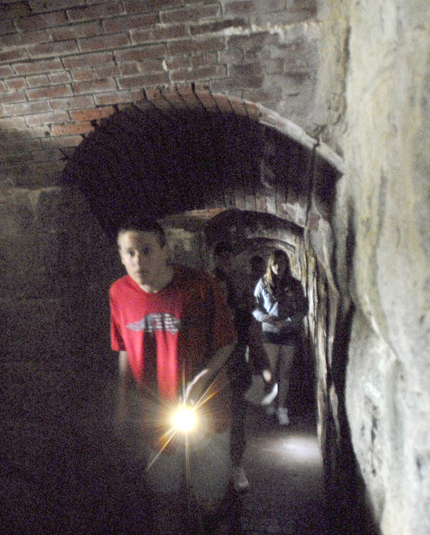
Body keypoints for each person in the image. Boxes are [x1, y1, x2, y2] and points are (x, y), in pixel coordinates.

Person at [110, 217, 238, 534]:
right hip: (156, 414)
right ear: (121, 255)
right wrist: (123, 403)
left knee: (209, 500)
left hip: (205, 410)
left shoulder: (200, 286)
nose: (138, 260)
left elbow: (228, 342)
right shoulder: (118, 293)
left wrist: (200, 382)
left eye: (147, 250)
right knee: (163, 498)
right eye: (130, 252)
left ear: (166, 250)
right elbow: (125, 349)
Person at [211, 244, 270, 492]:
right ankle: (213, 468)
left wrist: (265, 369)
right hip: (210, 379)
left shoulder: (242, 315)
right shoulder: (206, 314)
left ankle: (236, 467)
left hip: (234, 374)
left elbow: (254, 341)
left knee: (235, 423)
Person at [252, 250, 306, 426]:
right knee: (271, 371)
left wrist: (289, 321)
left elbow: (303, 308)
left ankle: (282, 408)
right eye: (275, 263)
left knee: (285, 372)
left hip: (289, 331)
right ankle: (271, 404)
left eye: (282, 263)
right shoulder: (263, 283)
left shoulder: (295, 285)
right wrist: (264, 317)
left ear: (287, 264)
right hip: (270, 331)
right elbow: (254, 306)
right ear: (270, 265)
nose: (278, 267)